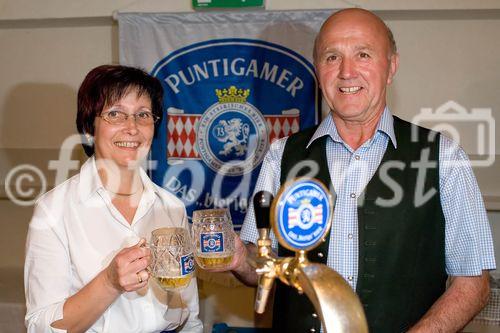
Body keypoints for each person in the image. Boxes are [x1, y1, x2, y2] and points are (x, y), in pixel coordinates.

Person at [216, 8, 496, 333]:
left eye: (363, 54)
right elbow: (263, 268)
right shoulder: (282, 155)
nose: (347, 72)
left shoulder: (444, 157)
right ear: (318, 71)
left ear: (391, 66)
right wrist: (239, 260)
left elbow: (473, 284)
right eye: (332, 57)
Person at [24, 65, 203, 332]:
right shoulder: (54, 210)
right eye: (115, 114)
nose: (132, 128)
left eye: (143, 114)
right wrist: (109, 282)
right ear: (88, 128)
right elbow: (40, 327)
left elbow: (189, 317)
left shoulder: (172, 208)